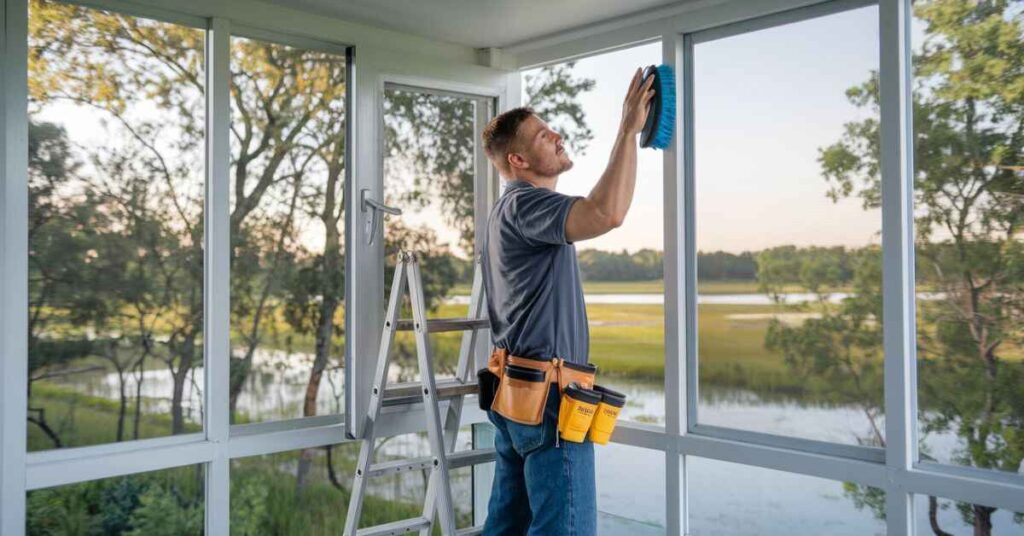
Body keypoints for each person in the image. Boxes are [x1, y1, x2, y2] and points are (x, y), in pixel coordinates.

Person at [478, 67, 655, 535]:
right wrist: (627, 131)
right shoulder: (525, 204)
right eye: (541, 134)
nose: (555, 135)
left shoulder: (510, 211)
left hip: (516, 396)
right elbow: (606, 213)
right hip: (550, 403)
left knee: (507, 528)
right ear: (517, 159)